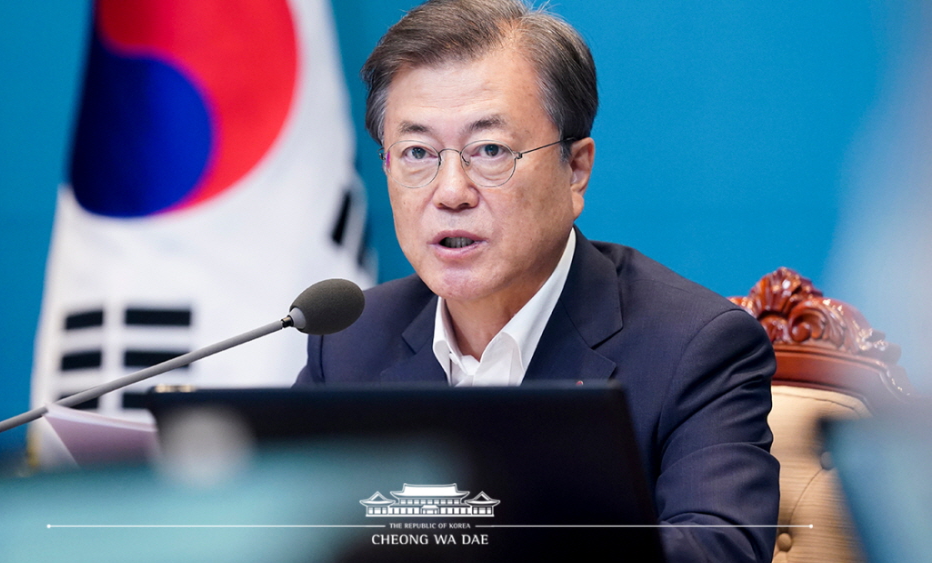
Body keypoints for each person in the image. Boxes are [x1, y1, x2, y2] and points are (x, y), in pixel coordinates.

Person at [296, 0, 780, 561]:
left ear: (575, 170)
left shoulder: (694, 347)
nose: (450, 191)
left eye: (490, 151)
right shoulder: (350, 339)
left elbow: (720, 548)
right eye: (417, 153)